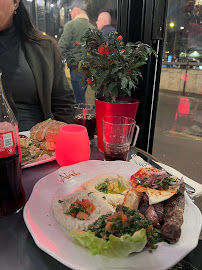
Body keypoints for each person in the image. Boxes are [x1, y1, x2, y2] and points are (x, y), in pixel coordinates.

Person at [0, 0, 75, 132]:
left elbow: (63, 103)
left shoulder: (44, 48)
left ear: (16, 3)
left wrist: (56, 140)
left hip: (36, 145)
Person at [58, 3, 94, 104]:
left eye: (71, 11)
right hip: (90, 68)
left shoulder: (71, 25)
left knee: (78, 99)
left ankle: (80, 118)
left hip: (76, 67)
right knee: (84, 97)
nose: (70, 14)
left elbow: (61, 47)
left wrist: (67, 60)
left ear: (77, 10)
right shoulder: (92, 27)